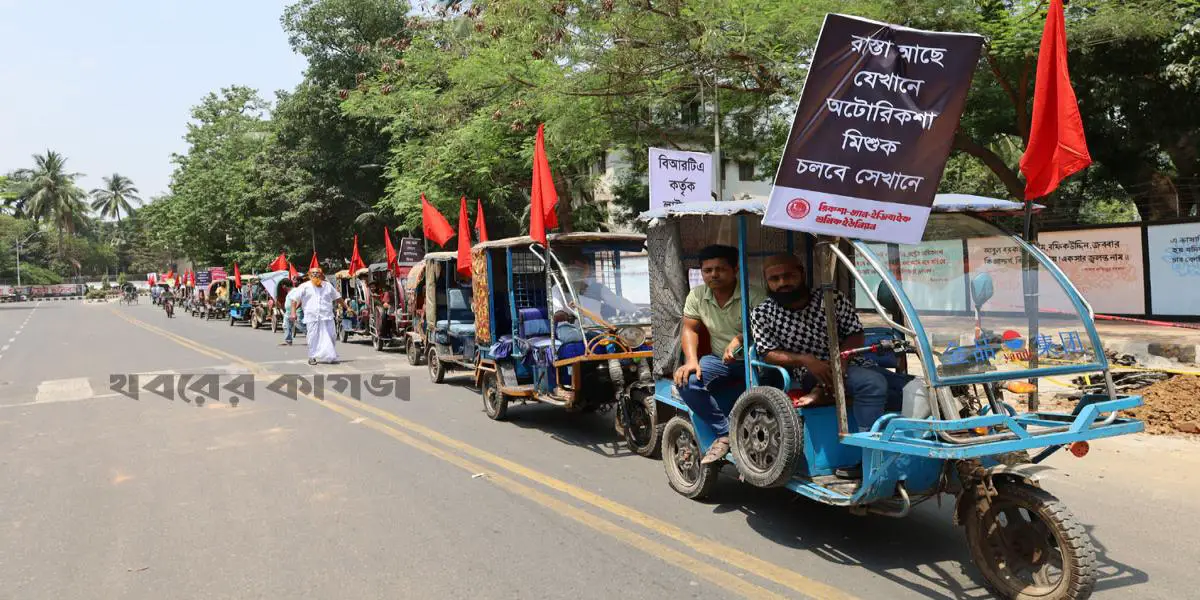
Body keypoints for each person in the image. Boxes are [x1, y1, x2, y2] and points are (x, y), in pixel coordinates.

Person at [750, 254, 912, 477]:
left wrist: (841, 361)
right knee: (872, 384)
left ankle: (909, 452)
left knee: (913, 388)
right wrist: (805, 359)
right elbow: (767, 353)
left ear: (802, 274)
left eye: (788, 276)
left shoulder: (831, 299)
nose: (782, 283)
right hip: (809, 373)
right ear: (766, 282)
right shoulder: (762, 313)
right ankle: (869, 460)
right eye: (774, 279)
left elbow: (855, 333)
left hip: (851, 362)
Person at [673, 244, 767, 464]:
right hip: (719, 361)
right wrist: (692, 361)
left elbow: (767, 332)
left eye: (720, 269)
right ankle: (725, 433)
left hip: (756, 362)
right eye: (707, 270)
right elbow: (689, 328)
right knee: (687, 382)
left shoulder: (754, 295)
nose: (713, 274)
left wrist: (742, 338)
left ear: (735, 269)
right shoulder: (697, 295)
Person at [292, 267, 348, 365]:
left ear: (321, 275)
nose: (315, 275)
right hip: (312, 317)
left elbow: (338, 298)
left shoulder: (328, 286)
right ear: (309, 275)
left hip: (327, 316)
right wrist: (293, 312)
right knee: (312, 337)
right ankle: (312, 357)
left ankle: (329, 355)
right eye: (313, 273)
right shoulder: (304, 286)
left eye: (317, 273)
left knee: (332, 336)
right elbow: (294, 299)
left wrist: (347, 308)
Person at [279, 280, 304, 346]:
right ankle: (288, 340)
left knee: (301, 325)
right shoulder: (290, 292)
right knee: (286, 326)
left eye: (282, 285)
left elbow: (299, 301)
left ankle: (313, 337)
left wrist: (295, 310)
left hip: (296, 311)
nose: (282, 287)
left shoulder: (294, 291)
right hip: (288, 312)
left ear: (284, 285)